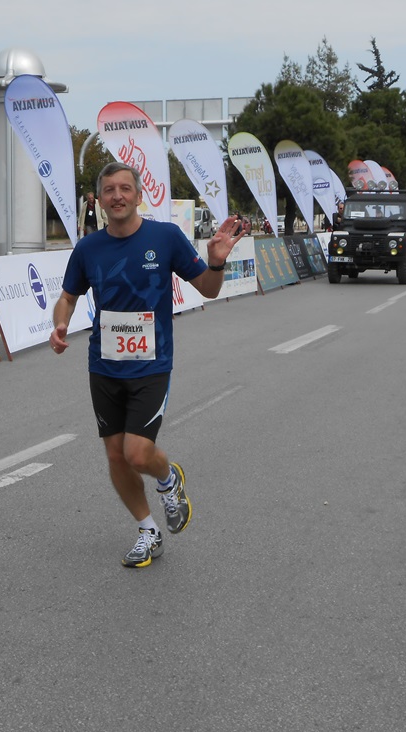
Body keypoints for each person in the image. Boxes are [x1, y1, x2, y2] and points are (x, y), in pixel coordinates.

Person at [50, 161, 244, 568]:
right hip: (104, 367)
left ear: (139, 196)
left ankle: (169, 479)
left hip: (152, 366)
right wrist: (60, 324)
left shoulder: (165, 237)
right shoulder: (88, 248)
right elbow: (68, 296)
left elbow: (208, 290)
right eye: (109, 190)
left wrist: (216, 262)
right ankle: (147, 530)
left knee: (138, 454)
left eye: (125, 188)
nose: (117, 196)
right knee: (116, 456)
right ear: (100, 200)